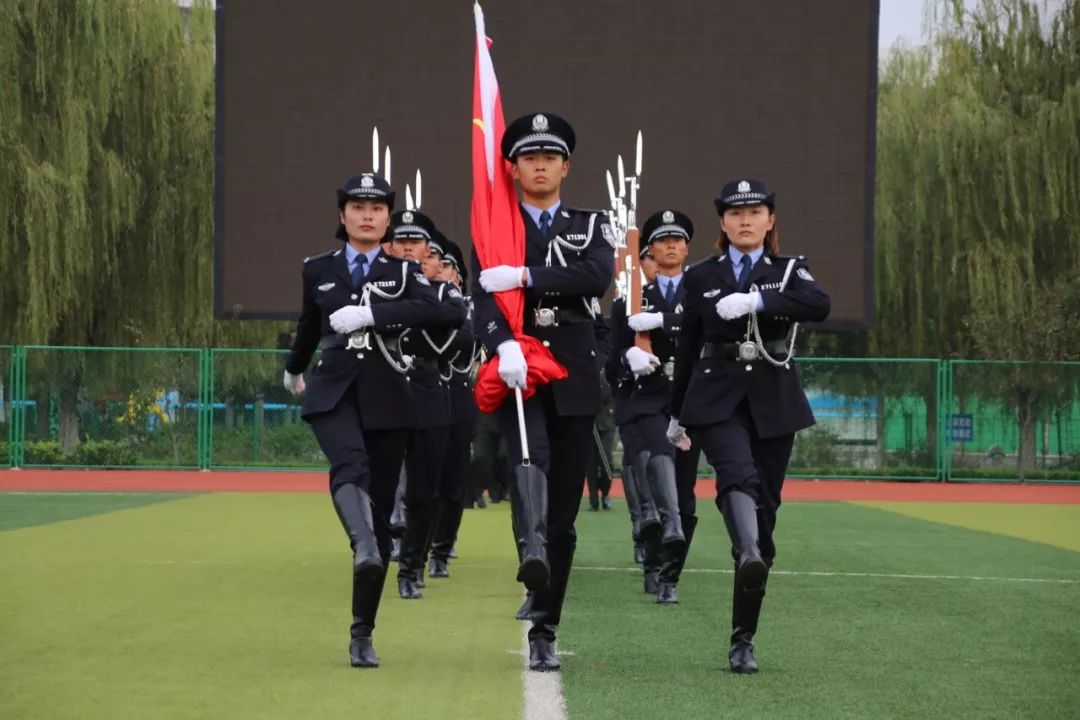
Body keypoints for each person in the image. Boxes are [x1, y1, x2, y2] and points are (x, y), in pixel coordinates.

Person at [282, 172, 465, 668]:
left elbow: (440, 312)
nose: (368, 215)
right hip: (334, 389)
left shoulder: (404, 271)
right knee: (349, 467)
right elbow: (307, 325)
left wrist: (372, 316)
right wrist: (294, 368)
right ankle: (361, 543)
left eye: (378, 208)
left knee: (382, 515)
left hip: (388, 395)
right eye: (358, 207)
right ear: (342, 216)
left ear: (387, 219)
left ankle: (362, 631)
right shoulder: (316, 268)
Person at [667, 178, 830, 673]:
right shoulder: (700, 276)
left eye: (755, 212)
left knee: (766, 512)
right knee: (735, 474)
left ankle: (743, 636)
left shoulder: (787, 270)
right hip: (716, 398)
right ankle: (747, 549)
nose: (745, 220)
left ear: (770, 220)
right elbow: (687, 347)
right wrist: (676, 414)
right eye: (735, 213)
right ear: (722, 222)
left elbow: (817, 305)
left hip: (773, 400)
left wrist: (759, 302)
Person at [472, 112, 615, 671]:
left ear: (565, 167)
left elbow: (595, 275)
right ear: (512, 167)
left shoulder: (591, 223)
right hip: (519, 370)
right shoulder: (493, 227)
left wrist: (526, 277)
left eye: (549, 157)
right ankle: (534, 581)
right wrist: (500, 342)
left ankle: (547, 614)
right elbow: (482, 295)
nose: (539, 164)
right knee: (528, 468)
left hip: (575, 374)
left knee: (562, 511)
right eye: (529, 157)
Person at [619, 209, 702, 604]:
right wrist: (628, 358)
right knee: (657, 460)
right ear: (649, 248)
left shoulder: (702, 291)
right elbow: (611, 351)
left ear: (687, 248)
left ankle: (670, 574)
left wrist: (662, 321)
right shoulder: (633, 298)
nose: (671, 246)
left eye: (678, 240)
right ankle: (657, 557)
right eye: (663, 240)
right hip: (651, 397)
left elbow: (703, 327)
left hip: (692, 399)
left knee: (684, 495)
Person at [390, 211, 471, 599]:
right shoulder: (377, 286)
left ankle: (412, 566)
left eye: (416, 242)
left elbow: (456, 333)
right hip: (384, 393)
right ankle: (375, 550)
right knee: (377, 484)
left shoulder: (444, 292)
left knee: (424, 491)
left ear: (429, 250)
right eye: (401, 240)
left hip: (428, 395)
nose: (408, 248)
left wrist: (401, 316)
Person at [428, 235, 478, 578]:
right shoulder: (413, 301)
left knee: (453, 482)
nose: (439, 269)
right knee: (422, 478)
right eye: (435, 262)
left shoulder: (470, 307)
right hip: (421, 396)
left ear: (457, 275)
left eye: (446, 264)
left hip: (458, 398)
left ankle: (442, 548)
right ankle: (415, 541)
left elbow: (468, 336)